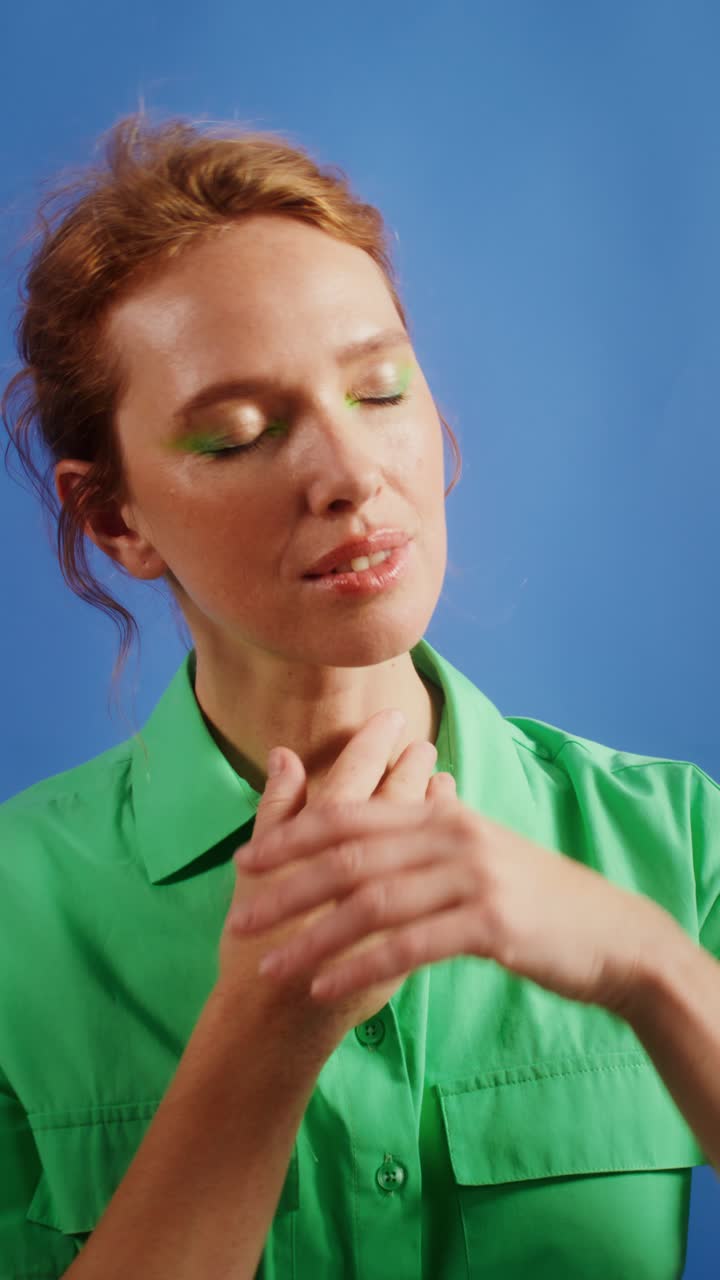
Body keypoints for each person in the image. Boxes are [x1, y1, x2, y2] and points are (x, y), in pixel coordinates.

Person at [1, 111, 719, 1280]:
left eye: (380, 390)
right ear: (115, 517)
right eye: (237, 435)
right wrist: (258, 1040)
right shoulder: (13, 919)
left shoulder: (678, 842)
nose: (352, 476)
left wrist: (649, 960)